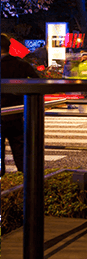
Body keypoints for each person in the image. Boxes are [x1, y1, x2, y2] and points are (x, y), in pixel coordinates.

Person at [1, 33, 40, 176]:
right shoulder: (20, 64)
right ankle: (24, 182)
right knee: (19, 150)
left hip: (2, 113)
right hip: (16, 112)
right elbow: (36, 80)